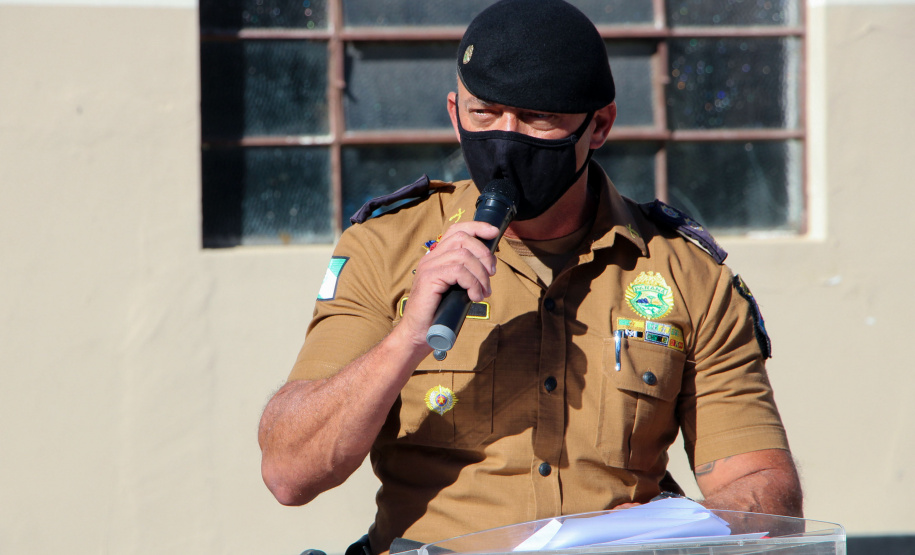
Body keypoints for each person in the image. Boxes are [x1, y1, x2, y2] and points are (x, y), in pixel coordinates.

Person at [258, 1, 803, 553]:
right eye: (485, 114)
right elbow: (289, 472)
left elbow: (766, 495)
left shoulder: (688, 275)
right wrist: (408, 339)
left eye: (538, 118)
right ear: (454, 112)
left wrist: (666, 527)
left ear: (600, 126)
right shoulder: (384, 249)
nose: (506, 138)